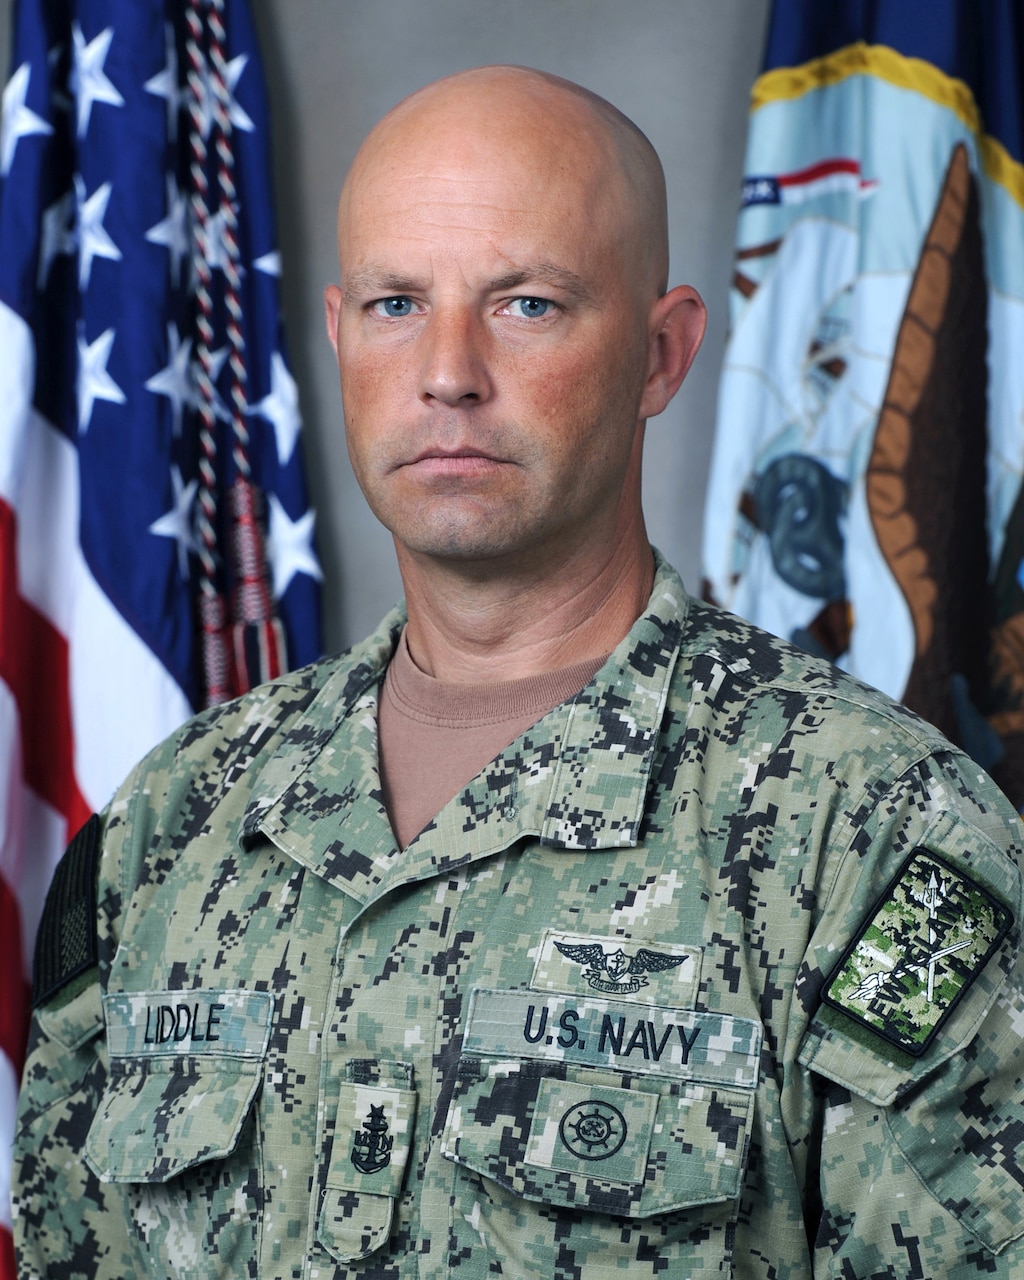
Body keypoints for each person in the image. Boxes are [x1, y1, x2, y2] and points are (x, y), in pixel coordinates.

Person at [13, 65, 1024, 1280]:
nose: (447, 370)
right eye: (395, 303)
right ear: (335, 334)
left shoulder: (870, 826)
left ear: (661, 354)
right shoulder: (169, 825)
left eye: (527, 304)